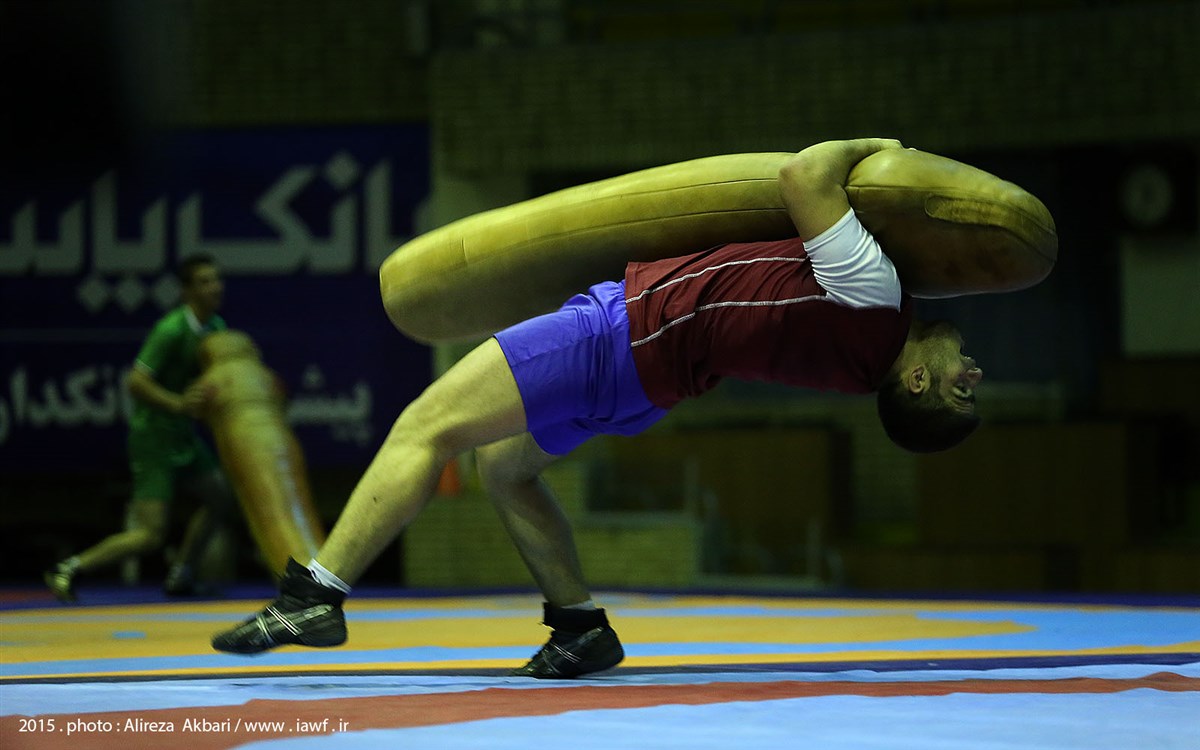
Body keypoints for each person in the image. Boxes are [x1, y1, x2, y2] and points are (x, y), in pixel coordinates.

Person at [211, 138, 983, 676]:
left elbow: (804, 174)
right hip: (649, 387)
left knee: (425, 425)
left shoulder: (874, 297)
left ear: (915, 383)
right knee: (504, 469)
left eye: (961, 385)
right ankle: (579, 625)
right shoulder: (860, 357)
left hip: (618, 337)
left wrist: (880, 150)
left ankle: (316, 595)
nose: (972, 368)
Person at [45, 254, 237, 602]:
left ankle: (181, 574)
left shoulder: (217, 329)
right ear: (187, 291)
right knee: (150, 535)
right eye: (205, 281)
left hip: (184, 438)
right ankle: (69, 568)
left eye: (217, 279)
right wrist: (178, 403)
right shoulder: (170, 330)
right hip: (153, 439)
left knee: (221, 497)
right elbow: (135, 382)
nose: (216, 287)